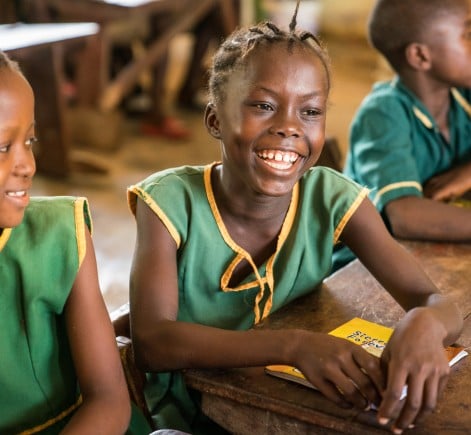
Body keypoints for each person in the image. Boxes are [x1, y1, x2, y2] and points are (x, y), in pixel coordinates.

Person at [127, 2, 463, 434]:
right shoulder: (170, 201)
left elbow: (437, 302)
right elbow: (152, 343)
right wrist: (293, 346)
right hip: (188, 414)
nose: (290, 127)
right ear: (214, 119)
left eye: (310, 112)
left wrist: (424, 322)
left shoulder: (331, 197)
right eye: (264, 106)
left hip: (290, 407)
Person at [0, 50, 149, 434]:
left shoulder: (58, 234)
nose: (27, 165)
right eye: (3, 147)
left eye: (29, 141)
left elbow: (110, 400)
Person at [333, 0, 471, 270]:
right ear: (420, 56)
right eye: (468, 35)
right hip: (367, 271)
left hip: (436, 253)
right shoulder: (384, 112)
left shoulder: (462, 95)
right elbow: (405, 215)